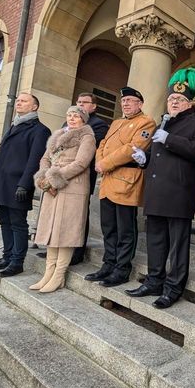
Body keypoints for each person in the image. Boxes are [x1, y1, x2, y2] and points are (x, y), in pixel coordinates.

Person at [125, 68, 195, 309]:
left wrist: (169, 140)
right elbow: (155, 155)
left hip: (178, 194)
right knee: (155, 241)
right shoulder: (162, 124)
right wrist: (143, 158)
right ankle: (154, 281)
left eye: (179, 99)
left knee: (177, 245)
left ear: (189, 103)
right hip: (155, 193)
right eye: (171, 98)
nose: (174, 102)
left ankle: (173, 287)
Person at [83, 87, 156, 287]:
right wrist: (99, 160)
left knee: (125, 229)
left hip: (127, 180)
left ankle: (122, 269)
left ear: (140, 104)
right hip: (108, 179)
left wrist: (104, 164)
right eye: (124, 101)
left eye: (131, 101)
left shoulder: (146, 122)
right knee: (109, 228)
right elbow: (103, 144)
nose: (126, 104)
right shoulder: (116, 122)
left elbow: (132, 148)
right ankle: (108, 264)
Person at [0, 92, 51, 277]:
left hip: (18, 184)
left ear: (34, 107)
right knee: (4, 221)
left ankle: (17, 262)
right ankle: (7, 256)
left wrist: (25, 184)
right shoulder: (14, 126)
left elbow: (35, 160)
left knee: (18, 224)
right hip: (1, 181)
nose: (19, 103)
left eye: (24, 101)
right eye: (18, 100)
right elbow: (0, 155)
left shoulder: (40, 130)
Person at [31, 106, 96, 293]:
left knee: (65, 231)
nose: (72, 118)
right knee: (51, 231)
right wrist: (43, 176)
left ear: (84, 119)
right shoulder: (58, 135)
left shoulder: (87, 137)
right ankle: (47, 273)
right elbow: (45, 158)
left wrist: (53, 178)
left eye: (76, 116)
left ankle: (59, 276)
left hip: (72, 186)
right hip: (53, 187)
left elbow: (81, 163)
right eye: (69, 115)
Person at [68, 92, 109, 265]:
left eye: (85, 102)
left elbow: (86, 148)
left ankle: (77, 253)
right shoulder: (68, 121)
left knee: (79, 214)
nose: (80, 104)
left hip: (83, 175)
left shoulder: (98, 125)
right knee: (64, 214)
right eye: (78, 101)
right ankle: (60, 248)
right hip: (63, 174)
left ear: (94, 107)